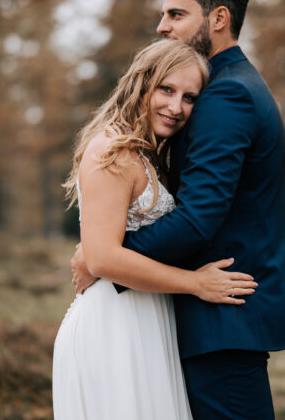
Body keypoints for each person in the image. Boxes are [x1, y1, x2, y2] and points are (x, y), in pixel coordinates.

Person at [71, 0, 285, 419]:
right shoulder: (230, 86)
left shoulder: (226, 95)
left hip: (223, 313)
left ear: (218, 18)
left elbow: (199, 217)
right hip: (206, 314)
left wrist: (102, 256)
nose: (162, 26)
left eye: (176, 14)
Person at [52, 38, 259, 420]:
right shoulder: (111, 150)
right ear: (141, 84)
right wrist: (195, 283)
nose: (176, 107)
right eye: (166, 89)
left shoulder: (145, 154)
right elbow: (102, 258)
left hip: (146, 321)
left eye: (189, 97)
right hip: (114, 329)